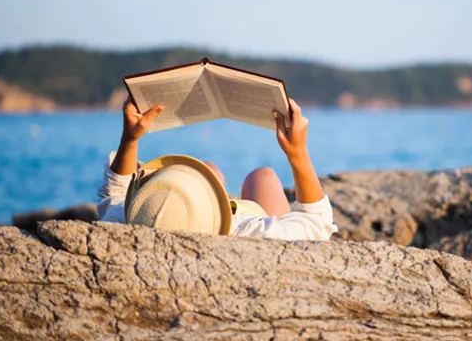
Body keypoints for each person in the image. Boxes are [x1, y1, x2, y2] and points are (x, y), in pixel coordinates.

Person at [97, 97, 337, 241]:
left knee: (209, 170)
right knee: (263, 177)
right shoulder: (246, 232)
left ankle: (212, 184)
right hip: (230, 226)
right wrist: (298, 153)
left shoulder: (128, 222)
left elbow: (116, 191)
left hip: (197, 221)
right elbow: (316, 224)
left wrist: (130, 139)